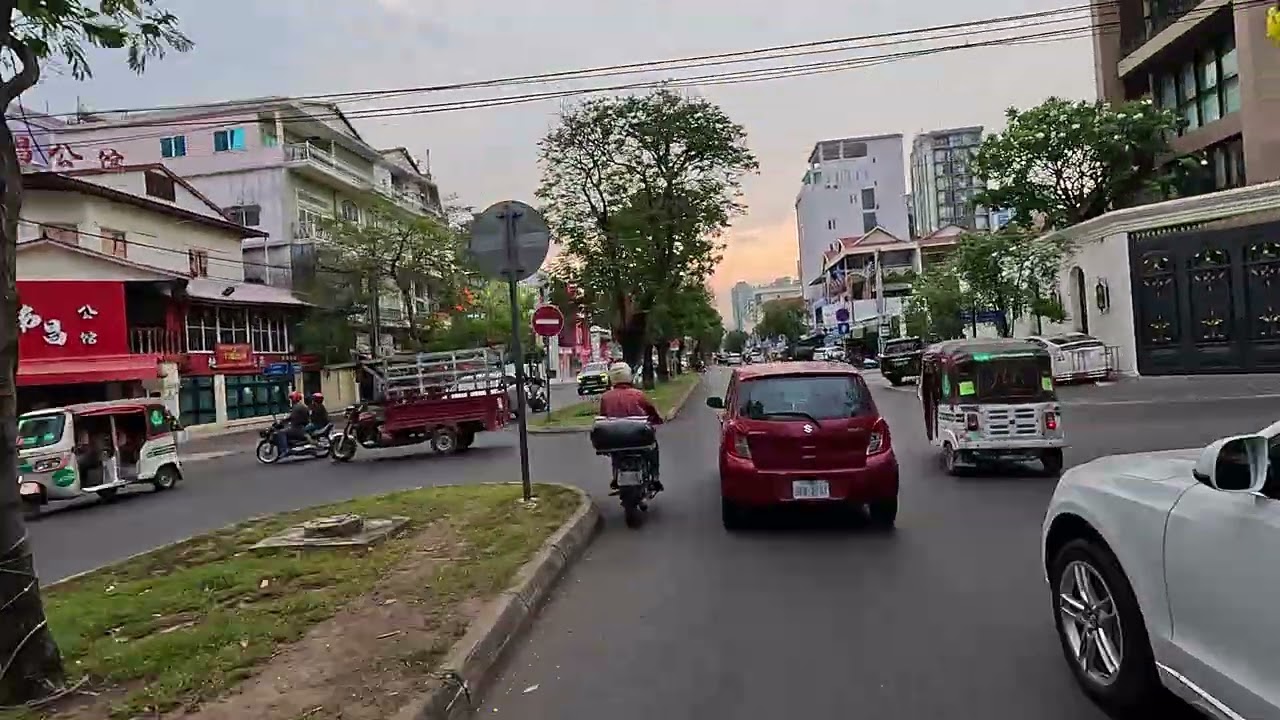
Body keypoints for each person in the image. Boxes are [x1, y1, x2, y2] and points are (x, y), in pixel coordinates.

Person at [597, 361, 663, 489]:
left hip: (614, 436)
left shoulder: (605, 397)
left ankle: (615, 476)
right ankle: (655, 476)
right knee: (653, 448)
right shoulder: (638, 394)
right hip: (638, 436)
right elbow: (651, 411)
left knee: (616, 454)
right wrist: (657, 420)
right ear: (629, 376)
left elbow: (604, 416)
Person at [278, 391, 311, 455]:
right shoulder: (301, 405)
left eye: (292, 398)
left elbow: (291, 417)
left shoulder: (297, 407)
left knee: (281, 432)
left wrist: (282, 421)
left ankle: (285, 450)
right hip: (301, 426)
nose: (291, 400)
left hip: (298, 428)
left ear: (295, 398)